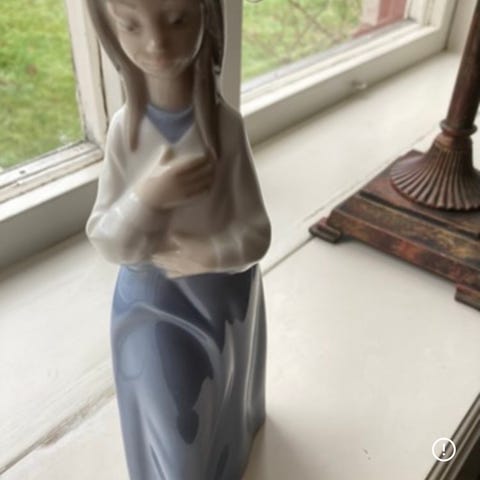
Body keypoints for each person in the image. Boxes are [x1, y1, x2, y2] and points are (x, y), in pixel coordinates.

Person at [84, 0, 271, 479]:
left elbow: (256, 231)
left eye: (177, 20)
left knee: (216, 424)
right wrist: (146, 197)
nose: (156, 44)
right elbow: (106, 238)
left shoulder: (225, 129)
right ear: (110, 30)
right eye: (131, 25)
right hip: (152, 305)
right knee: (178, 426)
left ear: (206, 16)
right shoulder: (126, 133)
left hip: (221, 301)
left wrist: (211, 254)